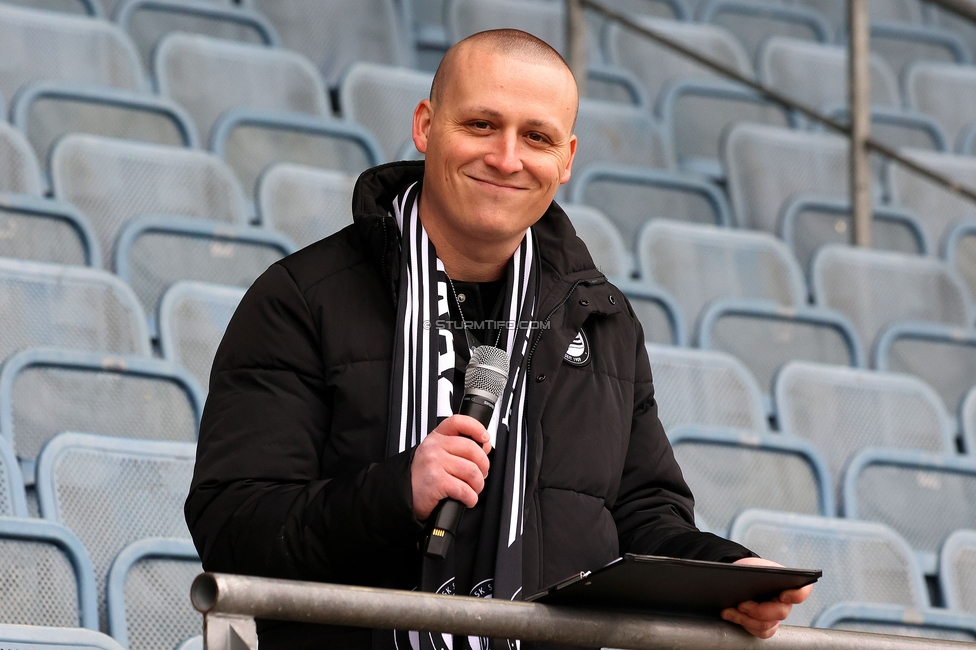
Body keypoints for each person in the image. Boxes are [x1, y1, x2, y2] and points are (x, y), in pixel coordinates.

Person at [185, 28, 812, 649]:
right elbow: (231, 527)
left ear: (566, 160)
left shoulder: (602, 320)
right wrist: (395, 492)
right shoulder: (300, 298)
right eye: (482, 125)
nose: (507, 158)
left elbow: (641, 517)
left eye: (535, 137)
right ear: (427, 126)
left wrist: (724, 573)